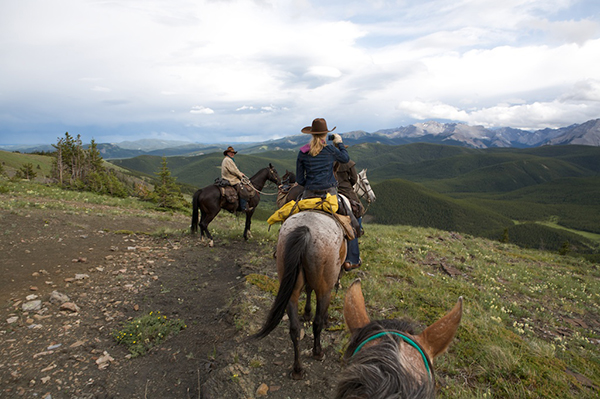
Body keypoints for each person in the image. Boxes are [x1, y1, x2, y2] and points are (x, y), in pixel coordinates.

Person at [296, 118, 349, 200]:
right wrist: (340, 143)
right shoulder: (330, 149)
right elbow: (345, 159)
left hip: (309, 191)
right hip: (329, 191)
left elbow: (300, 180)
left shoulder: (303, 152)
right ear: (325, 134)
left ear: (312, 134)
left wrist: (310, 184)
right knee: (346, 211)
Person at [335, 159, 364, 271]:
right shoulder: (348, 162)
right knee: (357, 213)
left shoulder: (327, 159)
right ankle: (351, 260)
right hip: (345, 189)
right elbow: (354, 179)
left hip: (328, 190)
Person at [221, 146, 251, 211]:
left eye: (233, 153)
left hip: (227, 177)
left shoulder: (226, 159)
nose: (233, 154)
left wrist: (239, 173)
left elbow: (233, 170)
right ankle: (243, 207)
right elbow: (234, 170)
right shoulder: (228, 160)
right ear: (227, 153)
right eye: (231, 152)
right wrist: (240, 175)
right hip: (231, 179)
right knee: (243, 190)